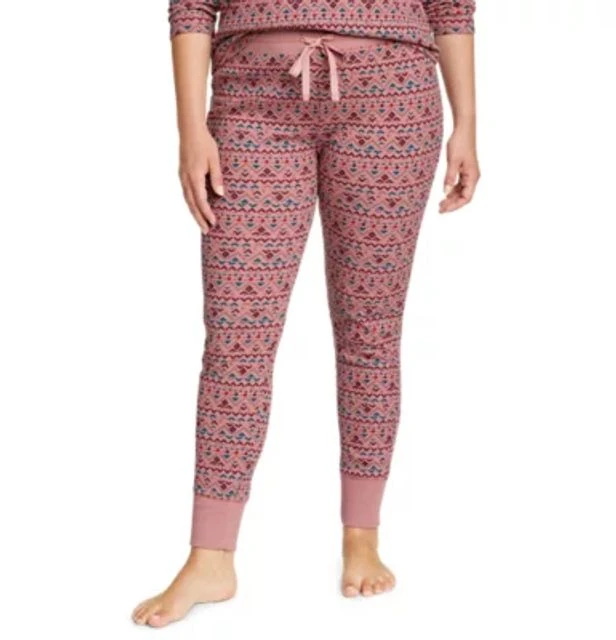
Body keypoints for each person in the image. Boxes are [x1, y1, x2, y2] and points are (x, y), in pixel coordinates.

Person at [132, 0, 479, 627]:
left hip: (393, 94)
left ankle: (361, 536)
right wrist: (190, 128)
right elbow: (192, 6)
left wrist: (467, 123)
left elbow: (450, 7)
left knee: (370, 331)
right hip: (251, 97)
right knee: (237, 335)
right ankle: (211, 556)